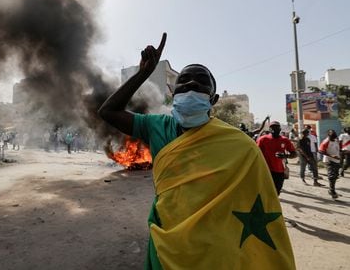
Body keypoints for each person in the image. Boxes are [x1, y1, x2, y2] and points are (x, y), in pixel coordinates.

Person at [98, 33, 295, 269]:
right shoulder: (157, 126)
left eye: (201, 80)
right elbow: (108, 111)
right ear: (172, 92)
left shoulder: (239, 144)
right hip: (167, 241)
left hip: (216, 247)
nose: (191, 83)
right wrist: (143, 74)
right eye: (184, 80)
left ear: (214, 99)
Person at [256, 121, 297, 195]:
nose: (274, 129)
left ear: (280, 128)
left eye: (276, 127)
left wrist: (285, 156)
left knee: (276, 192)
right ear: (269, 129)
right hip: (265, 170)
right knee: (264, 192)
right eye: (272, 127)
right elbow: (256, 153)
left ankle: (273, 205)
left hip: (279, 171)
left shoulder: (285, 140)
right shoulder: (262, 139)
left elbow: (294, 154)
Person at [319, 130, 341, 199]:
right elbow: (321, 151)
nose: (334, 137)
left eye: (334, 136)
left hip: (337, 160)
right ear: (328, 135)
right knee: (332, 176)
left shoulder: (336, 140)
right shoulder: (326, 141)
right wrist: (331, 156)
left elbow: (338, 148)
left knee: (335, 176)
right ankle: (332, 191)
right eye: (332, 136)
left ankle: (332, 190)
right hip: (329, 160)